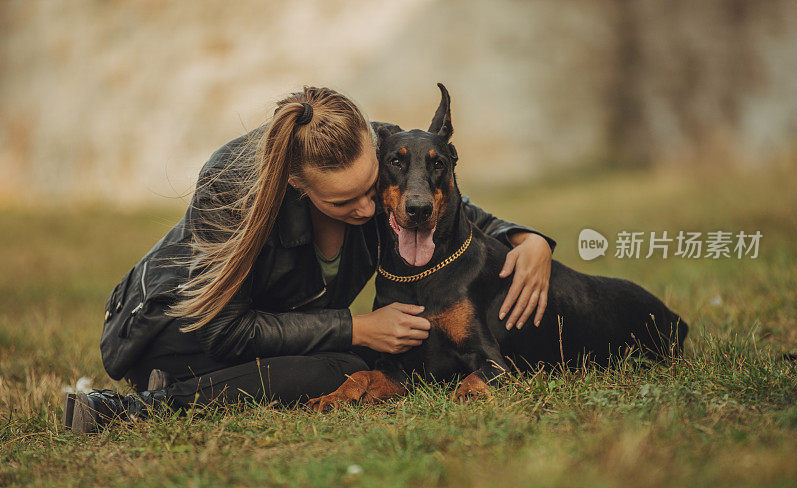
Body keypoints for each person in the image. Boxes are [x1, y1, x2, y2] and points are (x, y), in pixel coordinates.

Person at [63, 86, 557, 433]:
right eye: (344, 203)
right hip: (170, 326)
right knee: (338, 365)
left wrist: (523, 237)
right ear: (299, 186)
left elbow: (437, 202)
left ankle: (196, 384)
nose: (367, 208)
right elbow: (226, 328)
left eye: (371, 189)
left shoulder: (384, 147)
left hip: (273, 325)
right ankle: (135, 407)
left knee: (354, 365)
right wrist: (355, 327)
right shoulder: (234, 185)